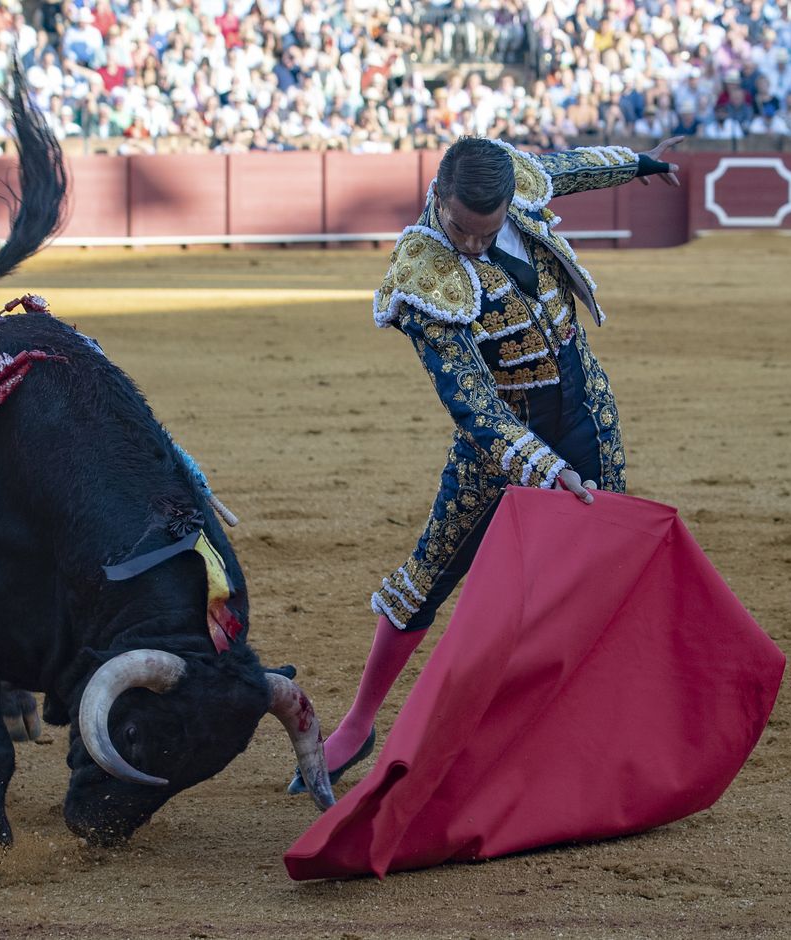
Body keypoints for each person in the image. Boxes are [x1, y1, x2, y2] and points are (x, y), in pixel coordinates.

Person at [290, 134, 681, 792]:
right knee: (428, 574)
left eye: (487, 230)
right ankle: (359, 722)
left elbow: (568, 168)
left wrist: (642, 164)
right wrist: (543, 469)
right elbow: (474, 402)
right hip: (498, 448)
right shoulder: (422, 271)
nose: (472, 244)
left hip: (584, 409)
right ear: (438, 197)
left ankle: (588, 712)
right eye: (462, 229)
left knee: (605, 569)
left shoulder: (514, 191)